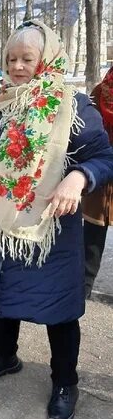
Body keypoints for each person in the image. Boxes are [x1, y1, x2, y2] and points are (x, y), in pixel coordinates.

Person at [0, 20, 113, 419]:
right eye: (11, 59)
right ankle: (5, 355)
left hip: (49, 230)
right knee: (2, 291)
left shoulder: (73, 105)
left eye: (27, 58)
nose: (18, 66)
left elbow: (104, 157)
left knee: (58, 308)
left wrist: (79, 177)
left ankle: (65, 382)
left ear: (48, 58)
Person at [81, 66, 113, 298]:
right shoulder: (100, 91)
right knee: (93, 230)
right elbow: (87, 127)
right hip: (101, 168)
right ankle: (84, 286)